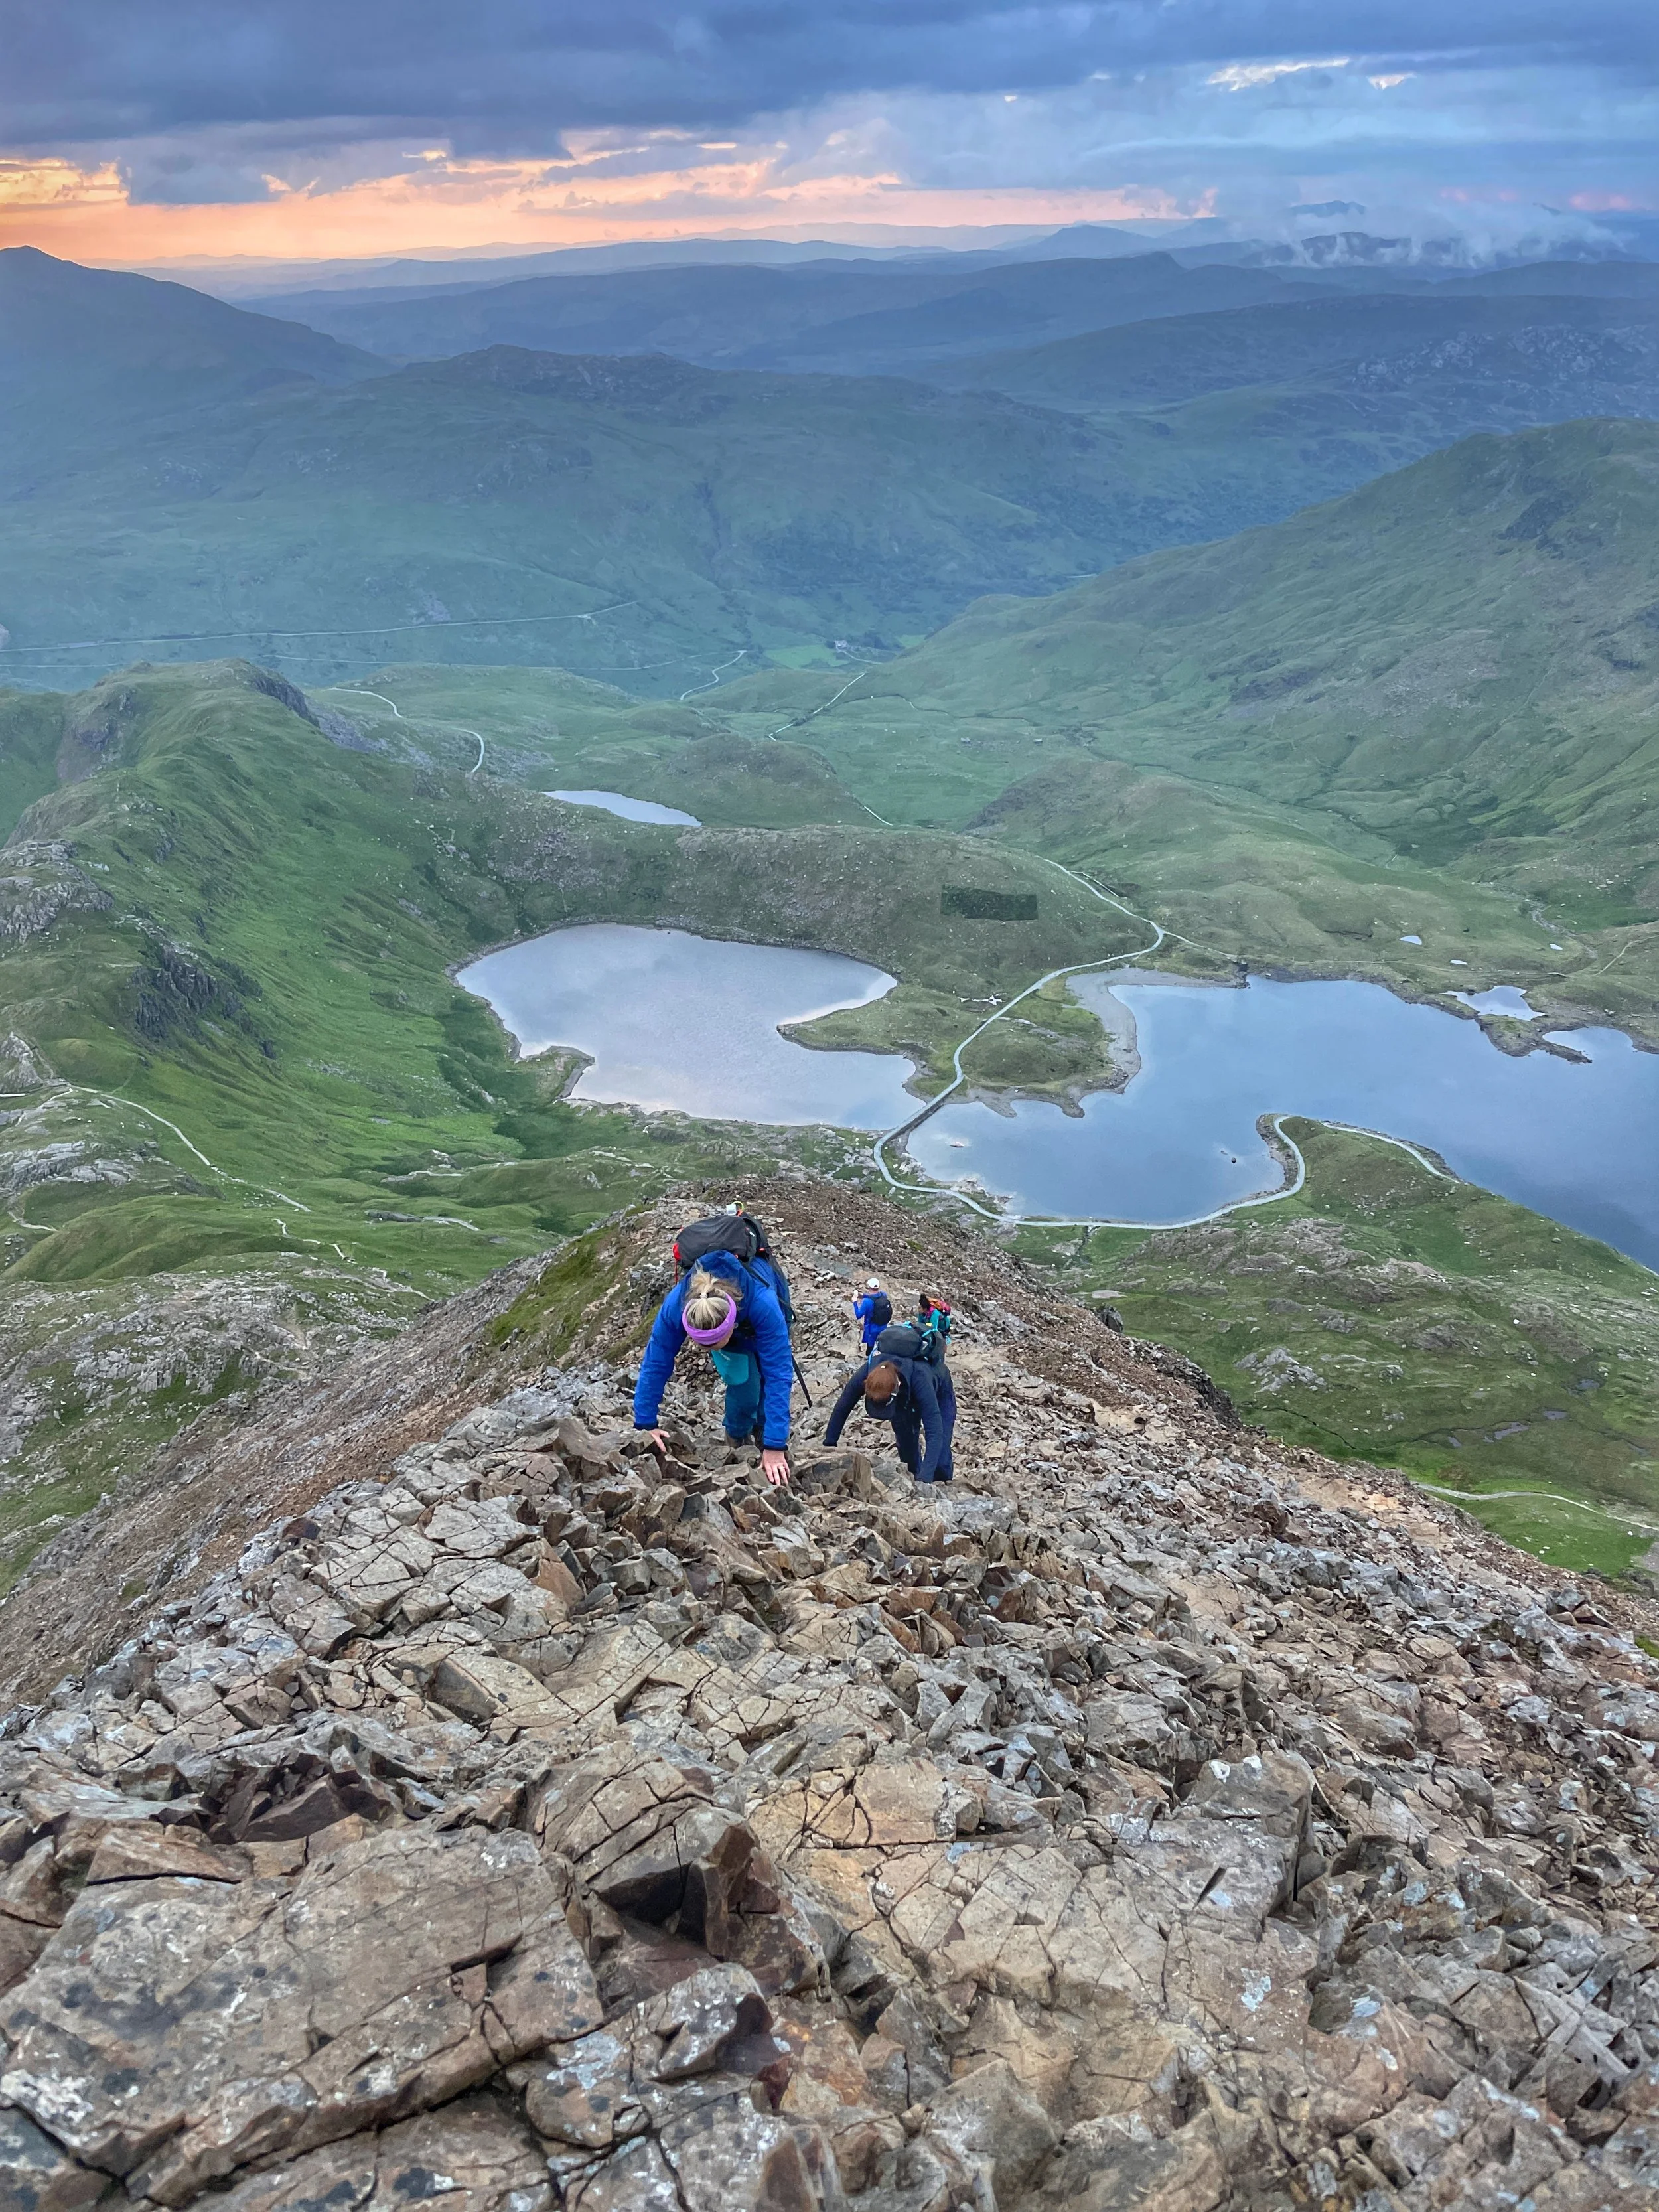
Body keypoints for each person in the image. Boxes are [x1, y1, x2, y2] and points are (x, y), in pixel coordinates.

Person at [634, 1256, 795, 1485]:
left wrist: (775, 1446)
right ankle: (737, 1436)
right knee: (743, 1384)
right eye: (702, 1344)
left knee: (765, 1374)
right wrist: (645, 1423)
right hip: (739, 1322)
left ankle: (762, 1429)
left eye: (714, 1343)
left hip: (760, 1315)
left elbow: (778, 1373)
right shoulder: (676, 1306)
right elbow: (655, 1362)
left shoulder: (764, 1304)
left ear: (732, 1324)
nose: (706, 1350)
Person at [824, 1347, 956, 1485]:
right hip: (903, 1397)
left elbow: (934, 1431)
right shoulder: (867, 1373)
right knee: (907, 1453)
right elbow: (843, 1406)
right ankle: (914, 1477)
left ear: (896, 1387)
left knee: (940, 1458)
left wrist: (925, 1481)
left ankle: (944, 1484)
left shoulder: (920, 1378)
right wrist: (829, 1443)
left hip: (940, 1393)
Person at [851, 1276, 891, 1351]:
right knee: (880, 1344)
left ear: (869, 1287)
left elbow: (858, 1315)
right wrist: (863, 1296)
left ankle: (869, 1357)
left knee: (870, 1347)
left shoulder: (867, 1302)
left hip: (871, 1329)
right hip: (883, 1326)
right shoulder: (884, 1295)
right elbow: (875, 1297)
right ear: (878, 1287)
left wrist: (855, 1302)